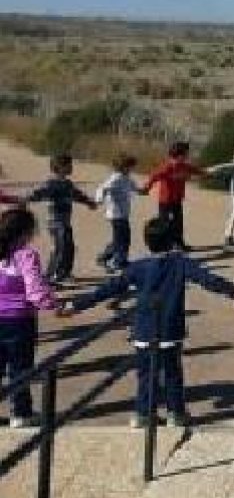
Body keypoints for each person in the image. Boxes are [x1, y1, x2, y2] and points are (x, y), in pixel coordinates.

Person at [69, 217, 234, 428]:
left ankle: (144, 413)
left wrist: (77, 304)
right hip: (170, 329)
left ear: (146, 241)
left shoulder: (138, 266)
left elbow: (109, 288)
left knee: (146, 375)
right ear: (173, 241)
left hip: (144, 329)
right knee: (172, 373)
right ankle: (176, 413)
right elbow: (208, 280)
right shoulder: (181, 262)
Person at [0, 209, 62, 428]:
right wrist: (53, 304)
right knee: (20, 368)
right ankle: (21, 413)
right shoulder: (26, 255)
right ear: (26, 232)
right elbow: (34, 289)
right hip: (19, 321)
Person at [27, 154, 98, 284]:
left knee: (69, 247)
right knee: (60, 247)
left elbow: (77, 195)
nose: (71, 167)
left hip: (65, 221)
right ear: (59, 167)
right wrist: (26, 199)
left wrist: (88, 202)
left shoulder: (68, 184)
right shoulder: (51, 183)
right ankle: (51, 276)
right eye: (68, 165)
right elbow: (39, 193)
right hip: (55, 222)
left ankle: (64, 273)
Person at [143, 142, 204, 249]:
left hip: (177, 199)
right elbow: (154, 176)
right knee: (164, 224)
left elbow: (196, 170)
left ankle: (179, 243)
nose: (187, 155)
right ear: (179, 155)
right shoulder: (167, 167)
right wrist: (147, 187)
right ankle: (164, 244)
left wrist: (205, 173)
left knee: (178, 223)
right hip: (165, 201)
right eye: (186, 153)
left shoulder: (184, 166)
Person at [94, 155, 138, 272]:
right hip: (115, 214)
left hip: (123, 214)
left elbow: (134, 187)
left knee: (120, 239)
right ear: (123, 167)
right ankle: (118, 261)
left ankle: (105, 257)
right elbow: (102, 188)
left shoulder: (127, 178)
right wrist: (98, 200)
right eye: (130, 167)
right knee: (122, 239)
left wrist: (142, 190)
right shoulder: (116, 178)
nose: (131, 170)